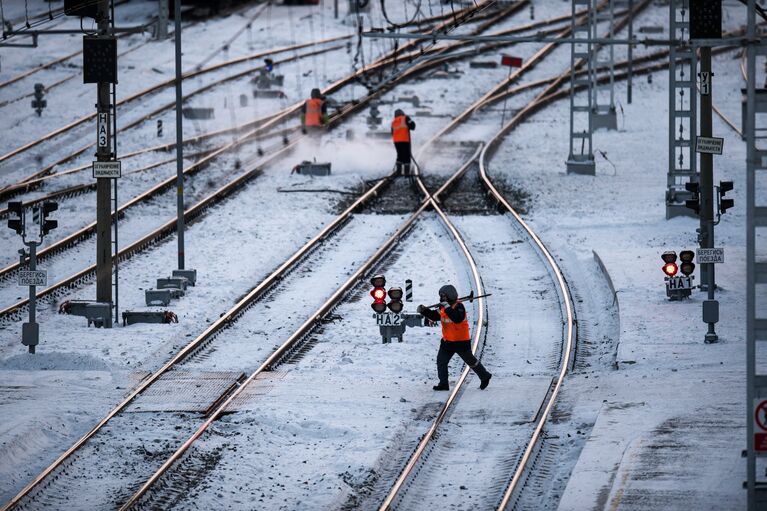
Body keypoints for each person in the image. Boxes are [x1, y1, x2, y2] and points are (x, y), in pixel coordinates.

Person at [417, 284, 492, 391]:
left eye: (443, 296)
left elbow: (457, 318)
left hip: (461, 342)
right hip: (447, 342)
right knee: (441, 362)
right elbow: (434, 316)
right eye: (441, 296)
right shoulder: (443, 308)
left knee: (471, 361)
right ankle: (443, 384)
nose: (441, 298)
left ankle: (485, 376)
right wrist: (424, 311)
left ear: (450, 295)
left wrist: (447, 307)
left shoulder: (459, 307)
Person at [391, 108, 415, 175]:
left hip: (396, 141)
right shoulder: (406, 118)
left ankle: (398, 172)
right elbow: (413, 126)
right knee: (407, 156)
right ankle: (406, 173)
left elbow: (392, 132)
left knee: (400, 155)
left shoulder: (393, 121)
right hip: (404, 140)